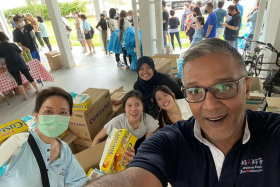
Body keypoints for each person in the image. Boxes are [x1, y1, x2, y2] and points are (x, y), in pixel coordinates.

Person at [85, 39, 280, 187]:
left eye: (224, 87)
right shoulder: (170, 141)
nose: (210, 105)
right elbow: (135, 177)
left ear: (246, 88)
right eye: (195, 91)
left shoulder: (273, 134)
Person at [0, 87, 89, 186]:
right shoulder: (18, 144)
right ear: (37, 116)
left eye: (63, 112)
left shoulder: (64, 150)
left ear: (69, 118)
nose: (55, 117)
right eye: (48, 112)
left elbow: (79, 181)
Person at [91, 90, 159, 153]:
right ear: (125, 108)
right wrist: (91, 158)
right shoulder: (117, 122)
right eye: (129, 105)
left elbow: (147, 144)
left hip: (137, 145)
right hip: (119, 147)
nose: (133, 109)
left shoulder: (148, 120)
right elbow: (98, 138)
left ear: (142, 106)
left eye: (137, 105)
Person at [0, 31, 40, 100]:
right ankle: (37, 90)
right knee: (29, 77)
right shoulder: (12, 44)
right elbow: (21, 52)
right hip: (20, 63)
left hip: (11, 66)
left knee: (18, 81)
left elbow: (2, 58)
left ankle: (25, 96)